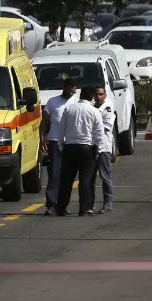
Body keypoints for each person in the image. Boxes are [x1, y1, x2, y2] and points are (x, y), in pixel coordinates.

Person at [55, 85, 103, 216]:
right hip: (86, 149)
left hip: (69, 148)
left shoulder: (69, 109)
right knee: (85, 180)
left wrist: (60, 146)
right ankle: (85, 208)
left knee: (66, 180)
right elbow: (99, 133)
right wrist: (99, 150)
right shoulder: (94, 111)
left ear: (81, 95)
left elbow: (61, 130)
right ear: (92, 96)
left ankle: (61, 208)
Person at [41, 79, 76, 214]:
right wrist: (43, 139)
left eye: (73, 90)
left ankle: (62, 205)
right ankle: (51, 204)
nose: (71, 93)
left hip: (70, 142)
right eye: (69, 90)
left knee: (67, 176)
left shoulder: (75, 102)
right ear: (64, 88)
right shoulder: (52, 102)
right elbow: (44, 121)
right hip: (55, 141)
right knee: (54, 174)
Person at [93, 85, 117, 214]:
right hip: (91, 147)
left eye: (101, 94)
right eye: (97, 94)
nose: (98, 97)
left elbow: (102, 128)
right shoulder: (91, 107)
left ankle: (108, 203)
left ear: (105, 95)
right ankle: (89, 204)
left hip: (103, 148)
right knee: (90, 177)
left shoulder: (107, 109)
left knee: (105, 177)